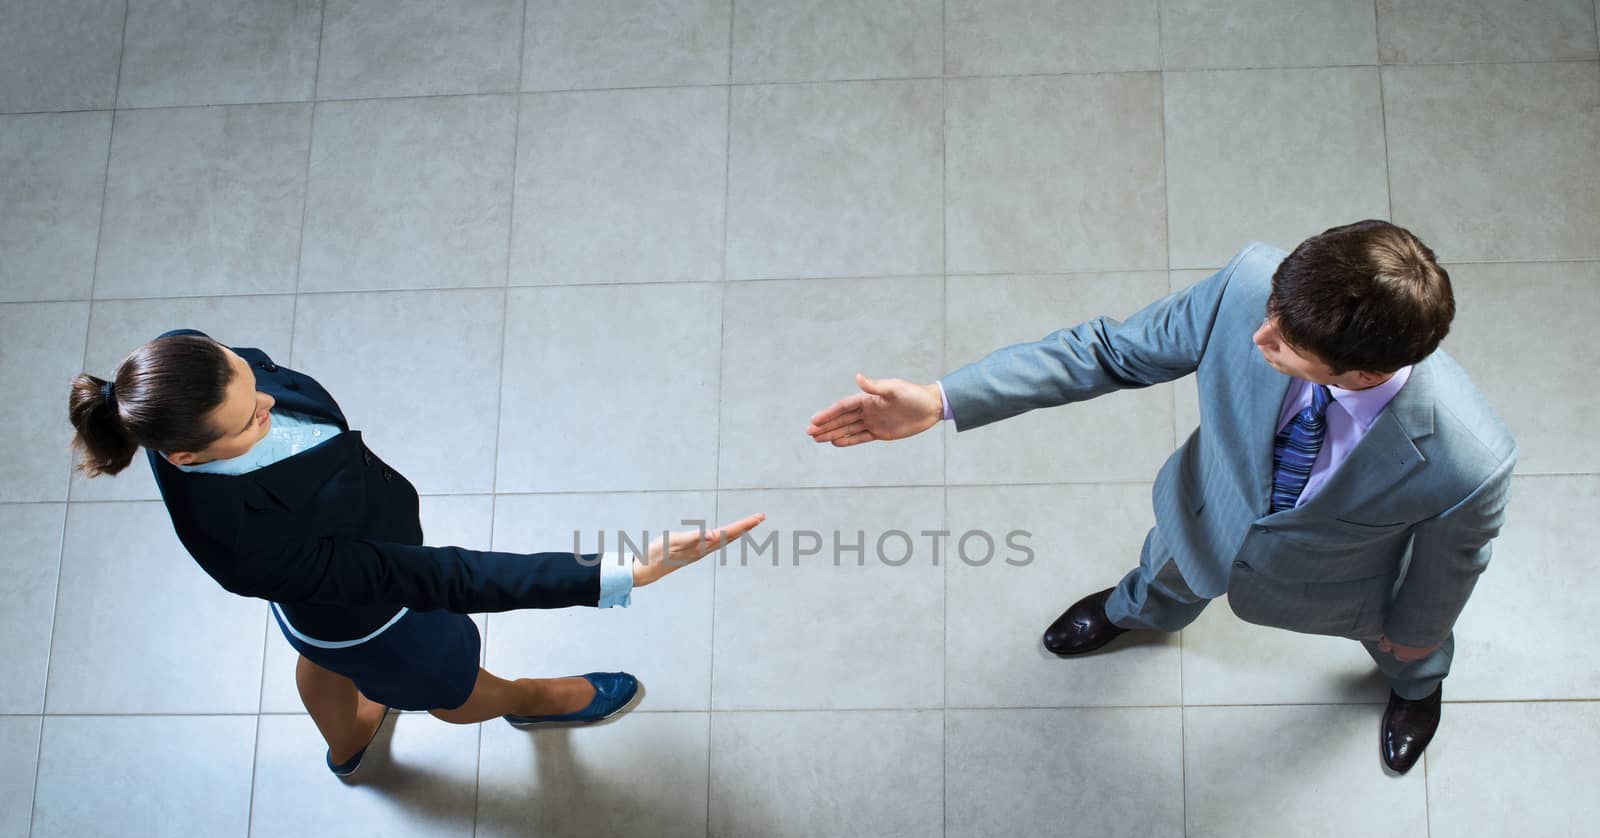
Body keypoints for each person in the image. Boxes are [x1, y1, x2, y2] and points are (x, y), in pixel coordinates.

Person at [807, 221, 1515, 775]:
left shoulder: (1468, 460)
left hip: (1345, 583)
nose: (1257, 335)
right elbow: (1107, 352)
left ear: (1362, 375)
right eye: (1273, 310)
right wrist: (941, 400)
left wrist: (1415, 634)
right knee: (1160, 576)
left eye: (1285, 342)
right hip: (1205, 513)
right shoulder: (1248, 288)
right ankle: (1134, 612)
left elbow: (1449, 566)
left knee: (1408, 645)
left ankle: (1417, 688)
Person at [69, 329, 763, 779]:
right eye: (251, 417)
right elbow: (445, 576)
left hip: (317, 608)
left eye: (251, 377)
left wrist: (247, 387)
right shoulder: (248, 545)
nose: (271, 400)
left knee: (322, 657)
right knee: (450, 678)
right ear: (186, 454)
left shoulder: (198, 389)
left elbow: (256, 387)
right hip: (373, 614)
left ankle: (347, 748)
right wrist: (623, 572)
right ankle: (525, 699)